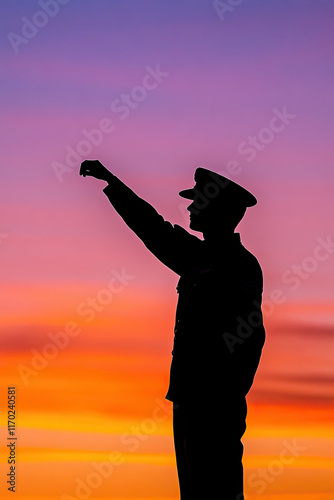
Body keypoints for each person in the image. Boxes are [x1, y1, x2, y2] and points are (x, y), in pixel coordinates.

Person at [80, 160, 265, 500]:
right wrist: (113, 183)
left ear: (217, 208)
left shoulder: (236, 265)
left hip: (213, 402)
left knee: (217, 488)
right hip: (190, 396)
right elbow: (153, 228)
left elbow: (251, 337)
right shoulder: (200, 256)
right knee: (195, 490)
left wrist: (223, 392)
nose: (191, 207)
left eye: (198, 201)